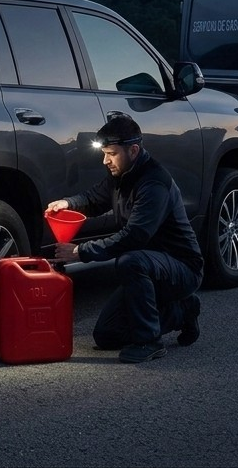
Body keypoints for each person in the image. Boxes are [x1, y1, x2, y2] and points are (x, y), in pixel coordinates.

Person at [46, 114, 204, 363]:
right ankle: (181, 311)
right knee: (106, 335)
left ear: (133, 150)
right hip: (149, 266)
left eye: (111, 153)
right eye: (104, 153)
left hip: (181, 268)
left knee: (130, 261)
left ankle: (149, 342)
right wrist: (67, 203)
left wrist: (80, 252)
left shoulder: (154, 183)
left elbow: (135, 237)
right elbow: (93, 199)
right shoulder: (121, 174)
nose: (105, 160)